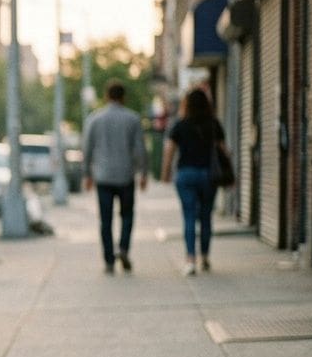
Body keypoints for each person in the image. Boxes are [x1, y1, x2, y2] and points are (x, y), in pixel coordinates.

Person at [82, 80, 148, 273]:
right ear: (123, 97)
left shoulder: (94, 119)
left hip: (102, 177)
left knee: (105, 220)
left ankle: (109, 260)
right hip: (126, 176)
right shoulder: (133, 119)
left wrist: (87, 174)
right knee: (127, 215)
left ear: (106, 96)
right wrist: (143, 173)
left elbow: (87, 149)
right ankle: (124, 248)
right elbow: (140, 149)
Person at [161, 87, 228, 275]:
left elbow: (169, 151)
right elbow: (224, 151)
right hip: (208, 175)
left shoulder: (181, 124)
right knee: (206, 217)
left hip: (186, 174)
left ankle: (190, 259)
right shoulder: (213, 124)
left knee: (189, 216)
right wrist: (229, 174)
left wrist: (165, 174)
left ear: (187, 104)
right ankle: (205, 257)